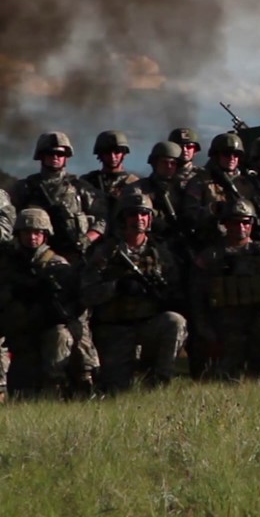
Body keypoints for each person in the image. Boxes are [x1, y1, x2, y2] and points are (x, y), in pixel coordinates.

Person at [80, 193, 187, 392]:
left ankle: (160, 382)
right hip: (115, 329)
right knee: (116, 391)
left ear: (150, 219)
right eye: (133, 214)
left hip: (149, 325)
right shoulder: (106, 253)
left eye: (144, 214)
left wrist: (164, 295)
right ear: (123, 218)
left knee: (175, 321)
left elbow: (176, 290)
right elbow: (87, 294)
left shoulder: (160, 253)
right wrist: (117, 287)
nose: (139, 219)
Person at [188, 200, 260, 379]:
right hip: (224, 330)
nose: (241, 226)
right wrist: (207, 334)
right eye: (235, 222)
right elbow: (197, 300)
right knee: (223, 380)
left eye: (246, 222)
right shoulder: (210, 257)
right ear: (225, 224)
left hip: (259, 326)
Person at [0, 208, 85, 398]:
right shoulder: (8, 264)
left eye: (37, 233)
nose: (32, 237)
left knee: (60, 335)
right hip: (19, 335)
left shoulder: (57, 265)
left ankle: (55, 390)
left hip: (47, 333)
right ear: (18, 234)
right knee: (20, 394)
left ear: (45, 235)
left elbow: (72, 308)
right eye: (27, 232)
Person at [14, 132, 103, 258]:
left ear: (66, 157)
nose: (55, 157)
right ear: (42, 156)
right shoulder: (25, 188)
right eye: (51, 153)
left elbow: (102, 219)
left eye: (60, 154)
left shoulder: (80, 187)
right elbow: (10, 219)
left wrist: (87, 239)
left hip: (73, 255)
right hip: (32, 256)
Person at [82, 130, 140, 216]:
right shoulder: (87, 182)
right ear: (100, 154)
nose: (112, 156)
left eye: (117, 151)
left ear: (124, 153)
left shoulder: (134, 184)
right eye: (107, 152)